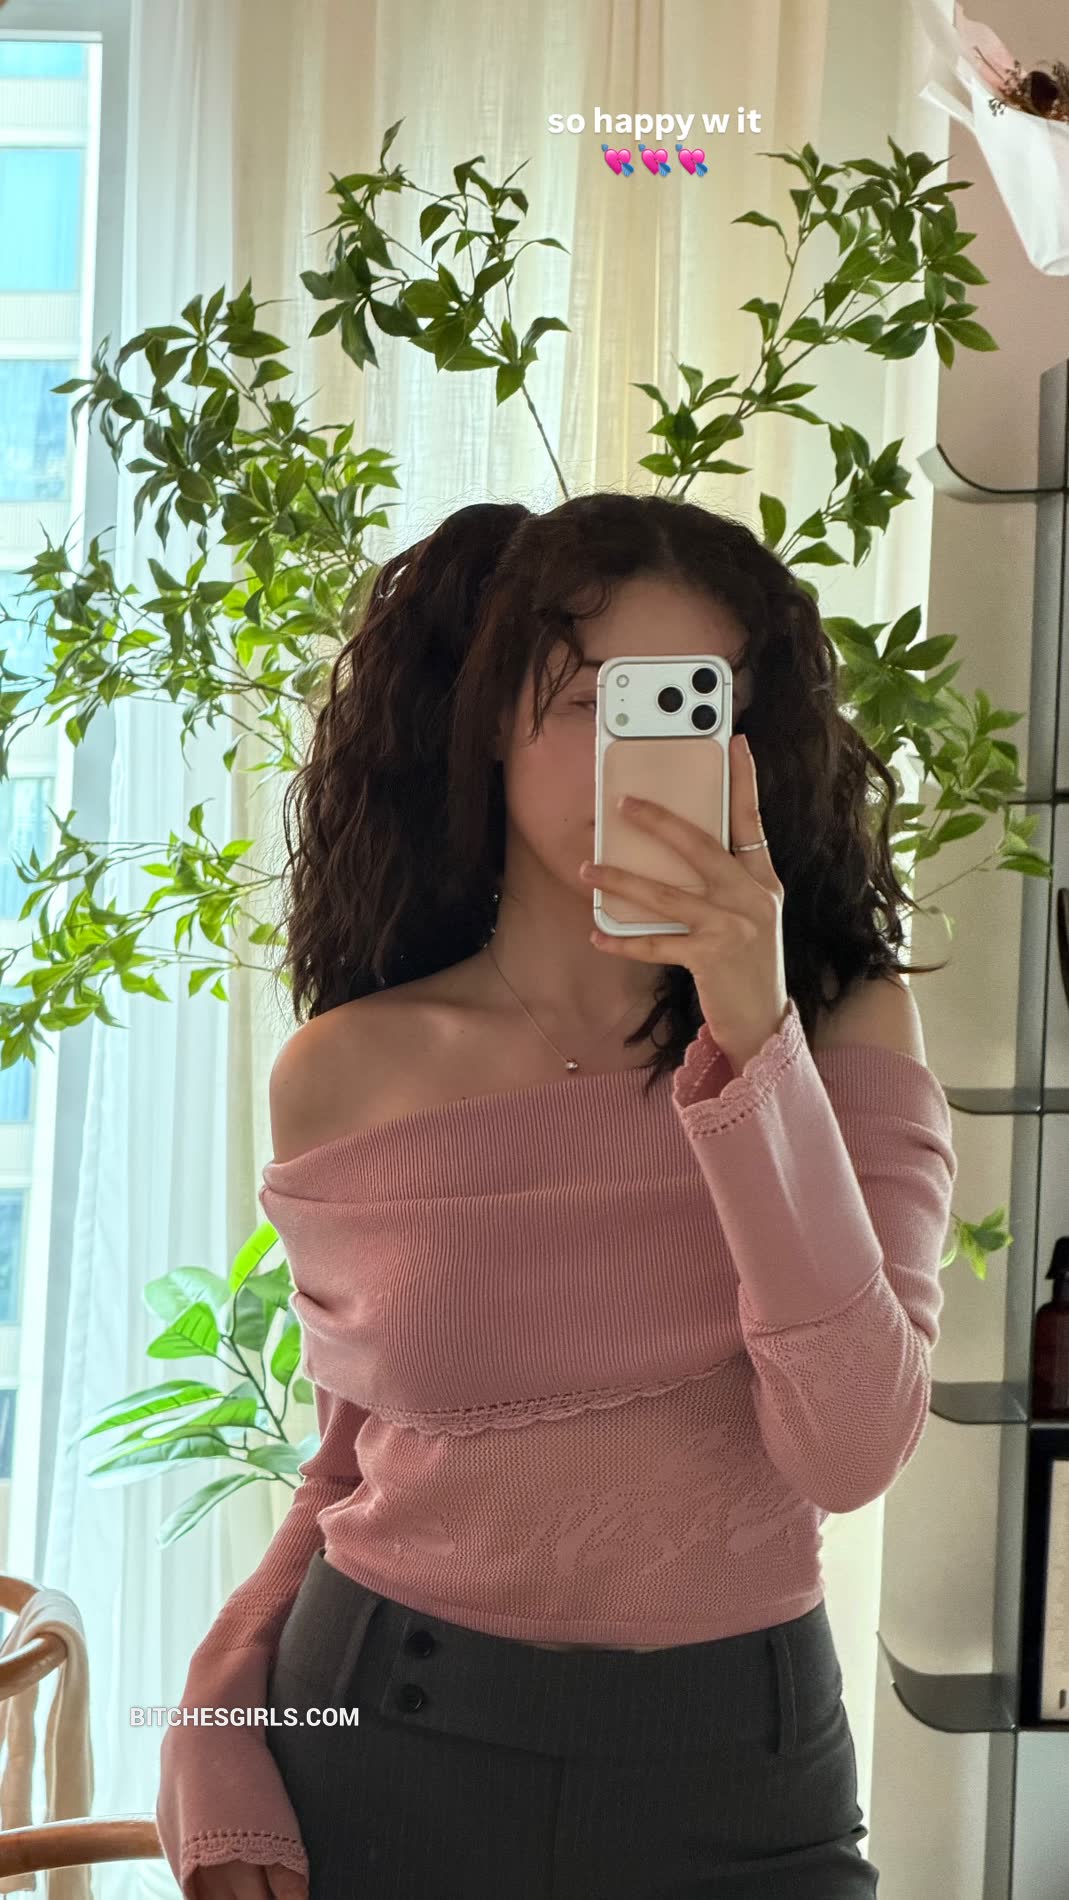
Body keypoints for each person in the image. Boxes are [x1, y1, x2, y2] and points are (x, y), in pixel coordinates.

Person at [156, 492, 958, 1898]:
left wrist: (753, 1033)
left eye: (691, 706)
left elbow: (850, 1448)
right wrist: (217, 1722)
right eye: (593, 701)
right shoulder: (348, 1071)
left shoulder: (840, 1037)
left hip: (737, 1770)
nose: (639, 756)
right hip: (384, 1730)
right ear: (487, 723)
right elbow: (352, 1461)